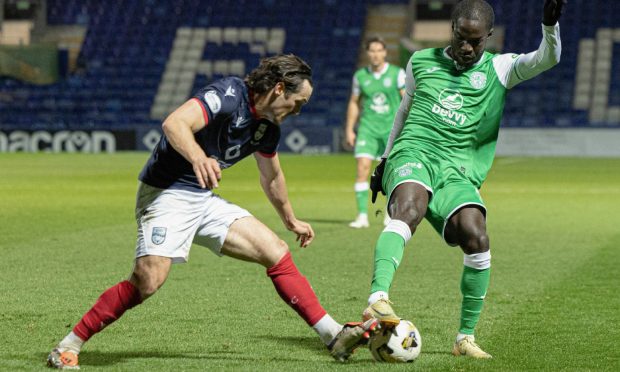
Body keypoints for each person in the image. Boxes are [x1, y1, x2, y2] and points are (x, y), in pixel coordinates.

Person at [47, 54, 378, 369]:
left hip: (201, 199)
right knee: (148, 281)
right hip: (166, 193)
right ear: (279, 88)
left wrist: (290, 219)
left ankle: (333, 335)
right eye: (298, 103)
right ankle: (67, 347)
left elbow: (272, 176)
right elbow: (175, 123)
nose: (298, 111)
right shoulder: (229, 94)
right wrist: (198, 156)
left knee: (275, 251)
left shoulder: (267, 129)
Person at [362, 0, 566, 359]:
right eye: (461, 38)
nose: (468, 47)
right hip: (415, 153)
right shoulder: (420, 62)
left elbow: (546, 59)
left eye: (476, 41)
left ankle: (464, 338)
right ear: (452, 29)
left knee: (475, 235)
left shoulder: (500, 69)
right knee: (408, 207)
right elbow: (404, 110)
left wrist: (549, 26)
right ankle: (378, 299)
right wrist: (384, 159)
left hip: (458, 171)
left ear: (488, 36)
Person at [344, 36, 405, 228]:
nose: (376, 54)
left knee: (389, 174)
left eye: (379, 50)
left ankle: (389, 214)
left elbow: (407, 101)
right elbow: (354, 102)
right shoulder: (360, 76)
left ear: (385, 52)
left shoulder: (397, 74)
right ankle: (362, 216)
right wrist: (349, 129)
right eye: (372, 51)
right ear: (368, 53)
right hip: (367, 129)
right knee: (362, 168)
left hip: (390, 131)